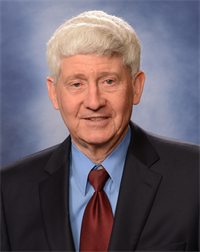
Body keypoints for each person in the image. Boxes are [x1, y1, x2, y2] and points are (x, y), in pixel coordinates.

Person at [0, 10, 199, 252]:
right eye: (76, 84)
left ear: (136, 87)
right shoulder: (10, 190)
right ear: (54, 93)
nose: (94, 102)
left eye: (108, 81)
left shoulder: (194, 176)